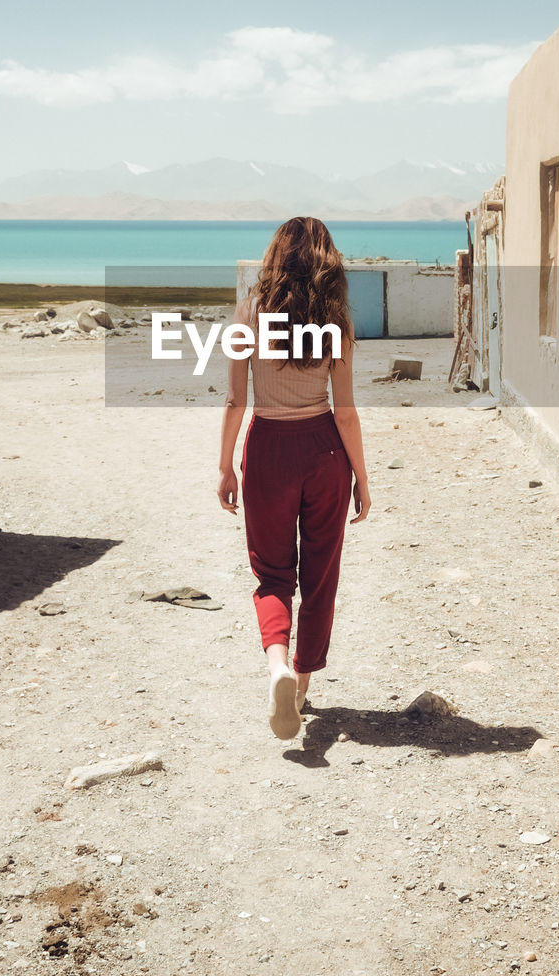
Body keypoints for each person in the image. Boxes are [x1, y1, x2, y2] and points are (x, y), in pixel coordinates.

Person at [216, 217, 371, 739]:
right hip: (324, 449)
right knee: (320, 574)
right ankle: (301, 688)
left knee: (273, 574)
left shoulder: (248, 314)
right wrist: (362, 478)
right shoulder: (336, 322)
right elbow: (345, 411)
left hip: (267, 451)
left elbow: (237, 399)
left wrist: (224, 465)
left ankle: (277, 666)